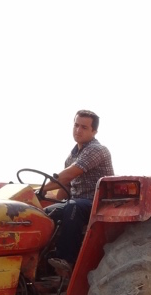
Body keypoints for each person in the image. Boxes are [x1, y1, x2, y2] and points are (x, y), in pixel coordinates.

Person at [44, 110, 114, 266]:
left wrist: (42, 190)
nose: (78, 130)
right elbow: (65, 187)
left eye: (84, 127)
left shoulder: (97, 150)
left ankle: (67, 260)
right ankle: (42, 260)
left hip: (98, 204)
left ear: (94, 131)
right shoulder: (71, 156)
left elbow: (68, 175)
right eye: (76, 125)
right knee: (45, 213)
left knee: (73, 207)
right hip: (78, 202)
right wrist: (50, 204)